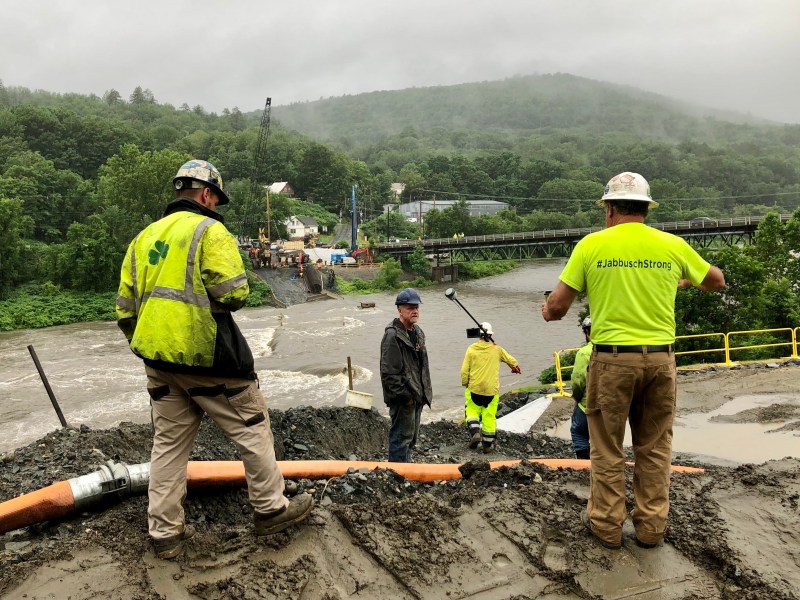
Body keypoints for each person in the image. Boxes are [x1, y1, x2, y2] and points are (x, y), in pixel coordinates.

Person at [115, 159, 313, 560]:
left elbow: (124, 310)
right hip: (207, 357)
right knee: (253, 427)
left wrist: (153, 344)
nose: (216, 206)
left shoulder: (143, 238)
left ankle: (165, 533)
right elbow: (233, 293)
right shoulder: (210, 230)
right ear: (207, 194)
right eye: (216, 199)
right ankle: (271, 509)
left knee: (168, 445)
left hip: (157, 361)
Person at [541, 171, 725, 550]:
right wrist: (683, 280)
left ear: (609, 209)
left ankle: (608, 527)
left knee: (607, 447)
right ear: (646, 209)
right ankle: (651, 529)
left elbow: (558, 306)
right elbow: (717, 280)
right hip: (661, 361)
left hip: (611, 362)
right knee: (654, 448)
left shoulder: (591, 246)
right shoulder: (671, 245)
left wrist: (546, 311)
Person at [380, 288, 432, 462]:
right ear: (400, 310)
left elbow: (420, 366)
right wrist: (406, 397)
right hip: (404, 399)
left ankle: (406, 469)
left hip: (417, 396)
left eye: (416, 307)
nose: (415, 310)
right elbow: (389, 373)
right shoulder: (392, 336)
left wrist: (422, 395)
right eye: (410, 307)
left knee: (411, 439)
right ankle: (397, 474)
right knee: (400, 439)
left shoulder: (417, 333)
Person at [460, 322, 520, 453]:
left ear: (478, 335)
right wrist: (515, 367)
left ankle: (475, 432)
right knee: (489, 417)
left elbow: (464, 371)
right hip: (491, 391)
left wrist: (466, 383)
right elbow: (512, 361)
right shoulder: (497, 349)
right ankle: (487, 445)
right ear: (490, 334)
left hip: (474, 388)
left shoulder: (471, 349)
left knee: (471, 411)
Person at [569, 316, 593, 460]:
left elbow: (578, 380)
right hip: (614, 406)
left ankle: (584, 465)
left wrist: (577, 398)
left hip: (588, 404)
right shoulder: (618, 350)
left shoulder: (585, 352)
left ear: (587, 332)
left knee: (578, 432)